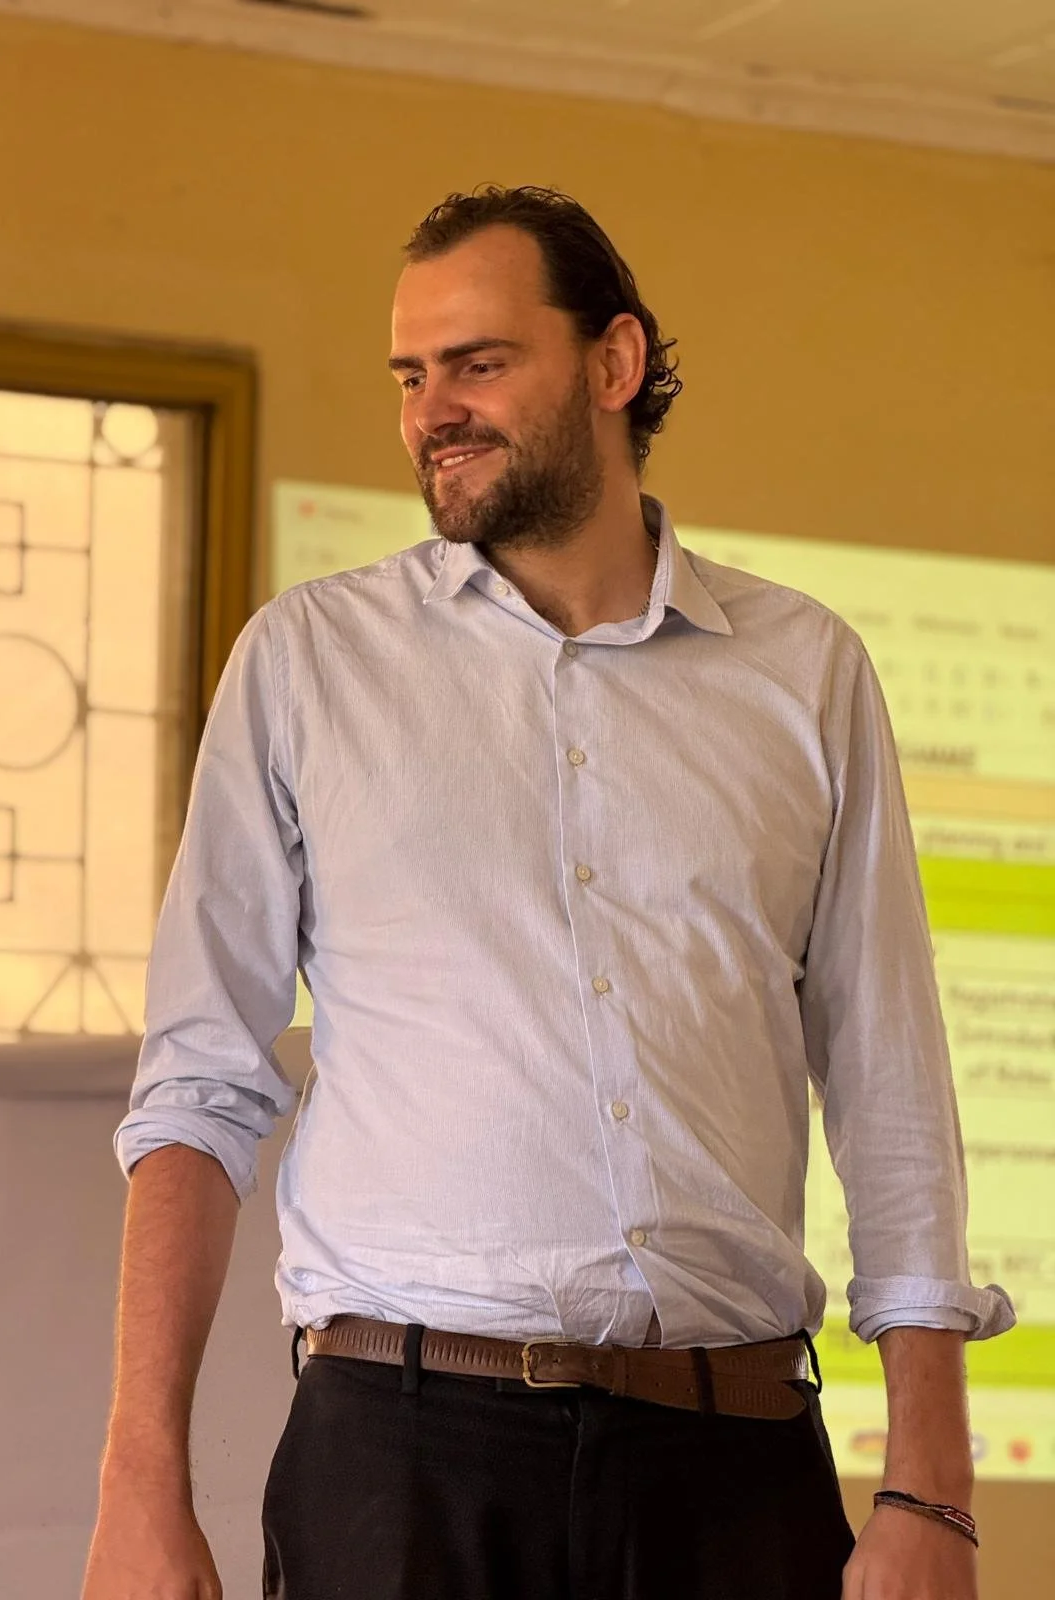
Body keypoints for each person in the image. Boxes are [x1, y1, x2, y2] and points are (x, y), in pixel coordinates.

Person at [82, 186, 1013, 1600]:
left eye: (478, 362)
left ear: (614, 363)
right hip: (399, 1476)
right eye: (410, 374)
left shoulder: (806, 673)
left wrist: (930, 1490)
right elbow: (199, 1095)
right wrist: (140, 1487)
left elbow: (888, 1082)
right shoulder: (305, 667)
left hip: (735, 1468)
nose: (431, 410)